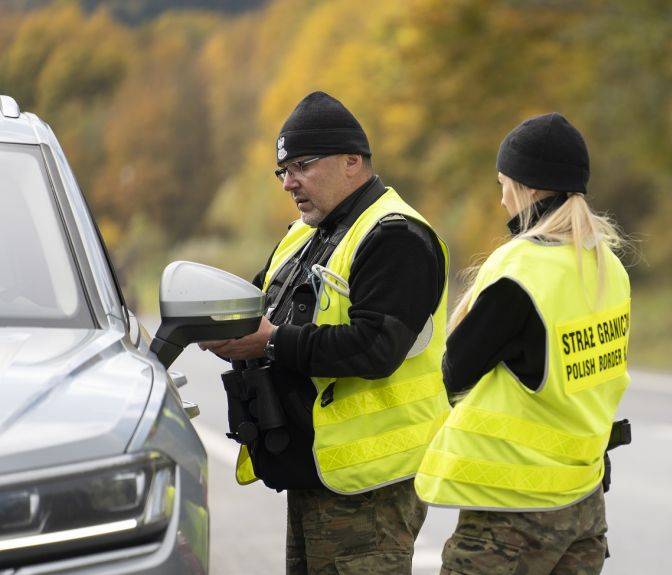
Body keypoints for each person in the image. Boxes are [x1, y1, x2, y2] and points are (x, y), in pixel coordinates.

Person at [200, 91, 450, 574]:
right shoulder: (305, 233)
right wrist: (211, 326)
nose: (288, 183)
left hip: (370, 486)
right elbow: (255, 306)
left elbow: (375, 347)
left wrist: (271, 341)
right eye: (282, 171)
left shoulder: (395, 235)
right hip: (319, 472)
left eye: (302, 166)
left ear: (352, 161)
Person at [414, 113, 631, 575]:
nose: (501, 198)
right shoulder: (608, 267)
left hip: (513, 514)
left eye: (503, 183)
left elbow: (453, 373)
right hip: (585, 504)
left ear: (528, 188)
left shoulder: (522, 270)